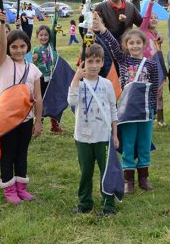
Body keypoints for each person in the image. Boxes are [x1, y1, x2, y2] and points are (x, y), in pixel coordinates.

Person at [92, 11, 159, 194]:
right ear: (126, 45)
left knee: (144, 142)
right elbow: (112, 44)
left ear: (144, 44)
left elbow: (154, 88)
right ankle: (128, 179)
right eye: (131, 43)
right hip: (128, 110)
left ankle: (143, 177)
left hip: (145, 111)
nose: (135, 46)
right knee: (128, 142)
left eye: (138, 42)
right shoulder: (123, 60)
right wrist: (102, 27)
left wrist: (153, 110)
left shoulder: (151, 64)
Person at [0, 11, 44, 203]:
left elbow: (38, 98)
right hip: (6, 120)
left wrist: (38, 121)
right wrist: (1, 24)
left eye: (22, 46)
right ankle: (9, 188)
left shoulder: (33, 69)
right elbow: (1, 45)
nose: (18, 50)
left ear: (28, 47)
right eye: (13, 47)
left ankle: (21, 187)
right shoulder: (3, 63)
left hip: (26, 118)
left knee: (22, 153)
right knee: (8, 153)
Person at [66, 44, 119, 216]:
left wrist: (115, 135)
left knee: (106, 171)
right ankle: (85, 203)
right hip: (82, 136)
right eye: (90, 61)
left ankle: (108, 205)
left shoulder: (106, 84)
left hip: (103, 136)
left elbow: (113, 109)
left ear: (103, 62)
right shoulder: (78, 84)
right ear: (83, 63)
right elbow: (72, 102)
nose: (94, 65)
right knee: (86, 172)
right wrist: (75, 79)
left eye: (97, 61)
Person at [93, 0, 143, 77]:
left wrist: (155, 34)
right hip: (107, 53)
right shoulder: (100, 8)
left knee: (127, 79)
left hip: (128, 52)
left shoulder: (131, 7)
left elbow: (142, 25)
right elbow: (94, 29)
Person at [32, 25, 64, 133]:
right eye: (41, 35)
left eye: (46, 35)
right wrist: (34, 60)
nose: (44, 37)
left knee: (52, 100)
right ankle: (38, 124)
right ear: (37, 36)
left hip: (52, 78)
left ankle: (54, 125)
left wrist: (55, 10)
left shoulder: (52, 47)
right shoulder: (36, 49)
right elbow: (34, 65)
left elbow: (54, 27)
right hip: (41, 79)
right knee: (40, 101)